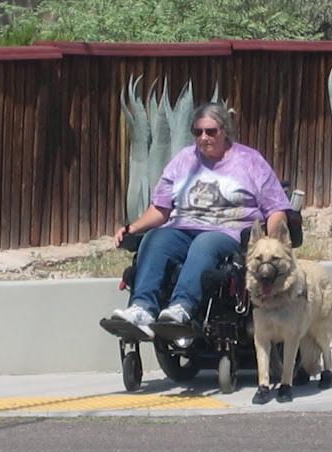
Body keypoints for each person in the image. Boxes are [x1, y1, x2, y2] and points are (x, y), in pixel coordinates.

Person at [111, 102, 292, 338]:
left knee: (204, 243)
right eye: (198, 132)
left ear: (224, 130)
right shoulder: (184, 160)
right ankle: (142, 309)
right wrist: (132, 227)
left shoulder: (250, 161)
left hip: (227, 232)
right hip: (182, 227)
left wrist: (271, 243)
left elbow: (276, 208)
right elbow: (161, 208)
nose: (204, 137)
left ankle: (182, 307)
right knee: (156, 239)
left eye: (211, 131)